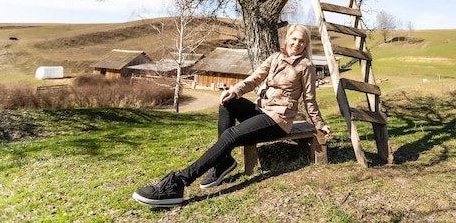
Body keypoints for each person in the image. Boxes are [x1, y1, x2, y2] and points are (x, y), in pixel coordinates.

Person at [133, 24, 332, 207]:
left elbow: (310, 99)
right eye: (294, 39)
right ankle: (224, 162)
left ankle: (179, 182)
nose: (297, 43)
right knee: (227, 103)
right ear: (287, 38)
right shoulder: (275, 57)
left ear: (305, 45)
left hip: (278, 119)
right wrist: (234, 91)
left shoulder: (306, 66)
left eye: (302, 41)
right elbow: (254, 79)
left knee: (231, 136)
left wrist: (319, 124)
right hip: (261, 110)